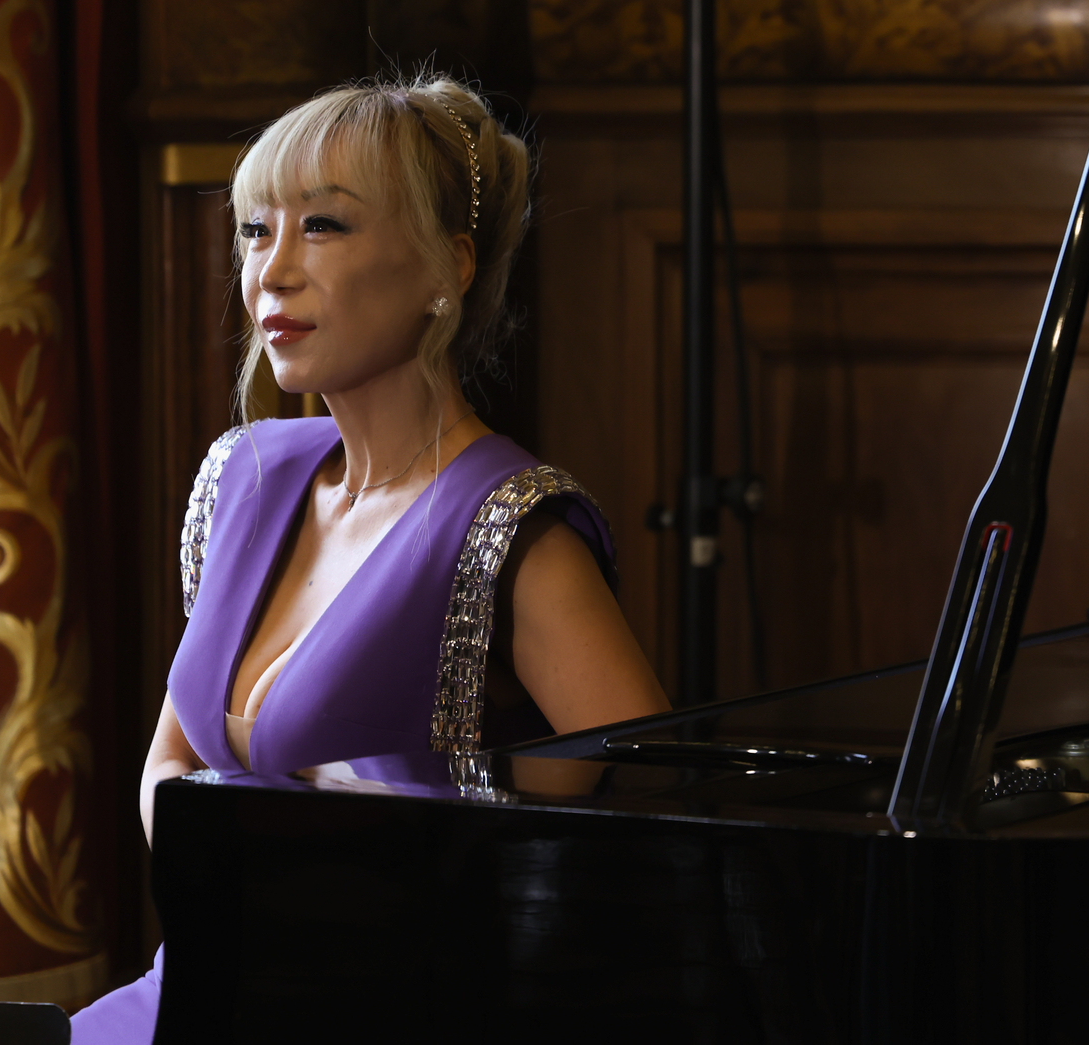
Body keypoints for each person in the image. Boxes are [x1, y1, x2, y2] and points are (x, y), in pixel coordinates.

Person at [71, 77, 671, 1040]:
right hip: (196, 990)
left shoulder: (511, 528)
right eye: (255, 230)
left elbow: (642, 843)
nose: (272, 271)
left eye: (324, 227)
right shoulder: (244, 477)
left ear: (450, 267)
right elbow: (171, 766)